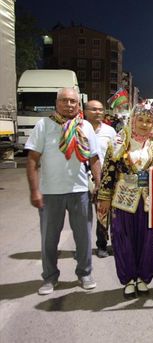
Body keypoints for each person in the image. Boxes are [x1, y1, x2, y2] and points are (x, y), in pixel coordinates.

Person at [25, 87, 101, 295]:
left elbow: (94, 158)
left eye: (73, 102)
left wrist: (99, 184)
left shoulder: (85, 126)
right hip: (51, 193)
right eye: (64, 101)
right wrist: (35, 191)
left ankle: (85, 273)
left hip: (80, 191)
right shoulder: (44, 125)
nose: (69, 105)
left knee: (84, 237)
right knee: (49, 239)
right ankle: (49, 277)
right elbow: (32, 161)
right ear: (56, 103)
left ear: (78, 105)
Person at [97, 104, 153, 297]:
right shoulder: (118, 143)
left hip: (148, 201)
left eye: (148, 121)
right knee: (123, 238)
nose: (144, 125)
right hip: (122, 199)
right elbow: (108, 172)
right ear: (132, 121)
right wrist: (104, 196)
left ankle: (143, 278)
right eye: (141, 120)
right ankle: (128, 279)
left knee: (147, 240)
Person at [84, 100, 117, 258]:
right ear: (85, 111)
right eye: (94, 109)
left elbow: (117, 153)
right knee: (85, 216)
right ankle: (84, 247)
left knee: (103, 212)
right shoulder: (79, 129)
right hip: (83, 178)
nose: (98, 112)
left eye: (100, 109)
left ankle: (102, 245)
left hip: (105, 178)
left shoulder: (110, 131)